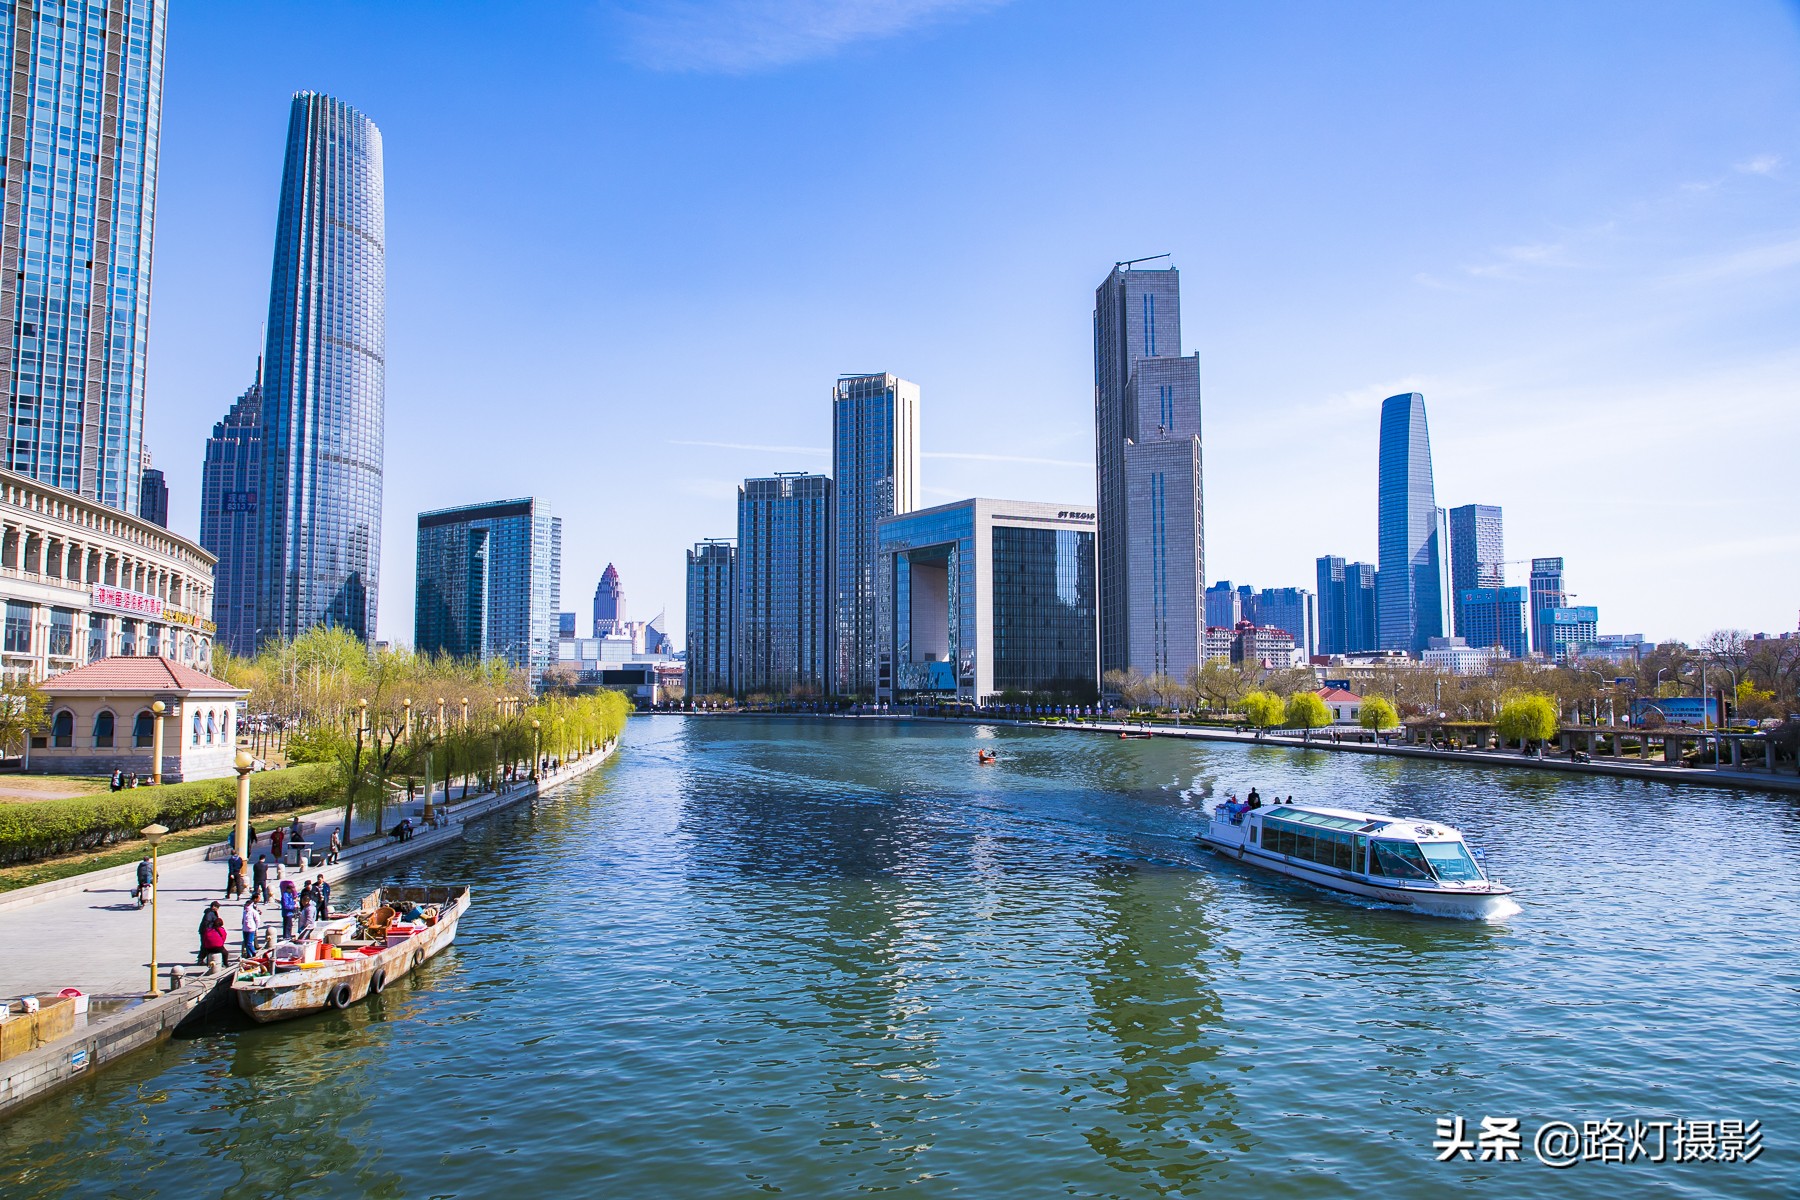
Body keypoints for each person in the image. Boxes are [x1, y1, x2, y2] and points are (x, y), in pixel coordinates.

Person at [198, 903, 228, 972]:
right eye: (216, 907)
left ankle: (203, 960)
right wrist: (208, 931)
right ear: (213, 906)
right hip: (207, 932)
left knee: (205, 946)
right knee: (204, 946)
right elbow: (207, 923)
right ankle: (201, 960)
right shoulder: (210, 914)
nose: (217, 909)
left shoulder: (211, 913)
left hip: (208, 932)